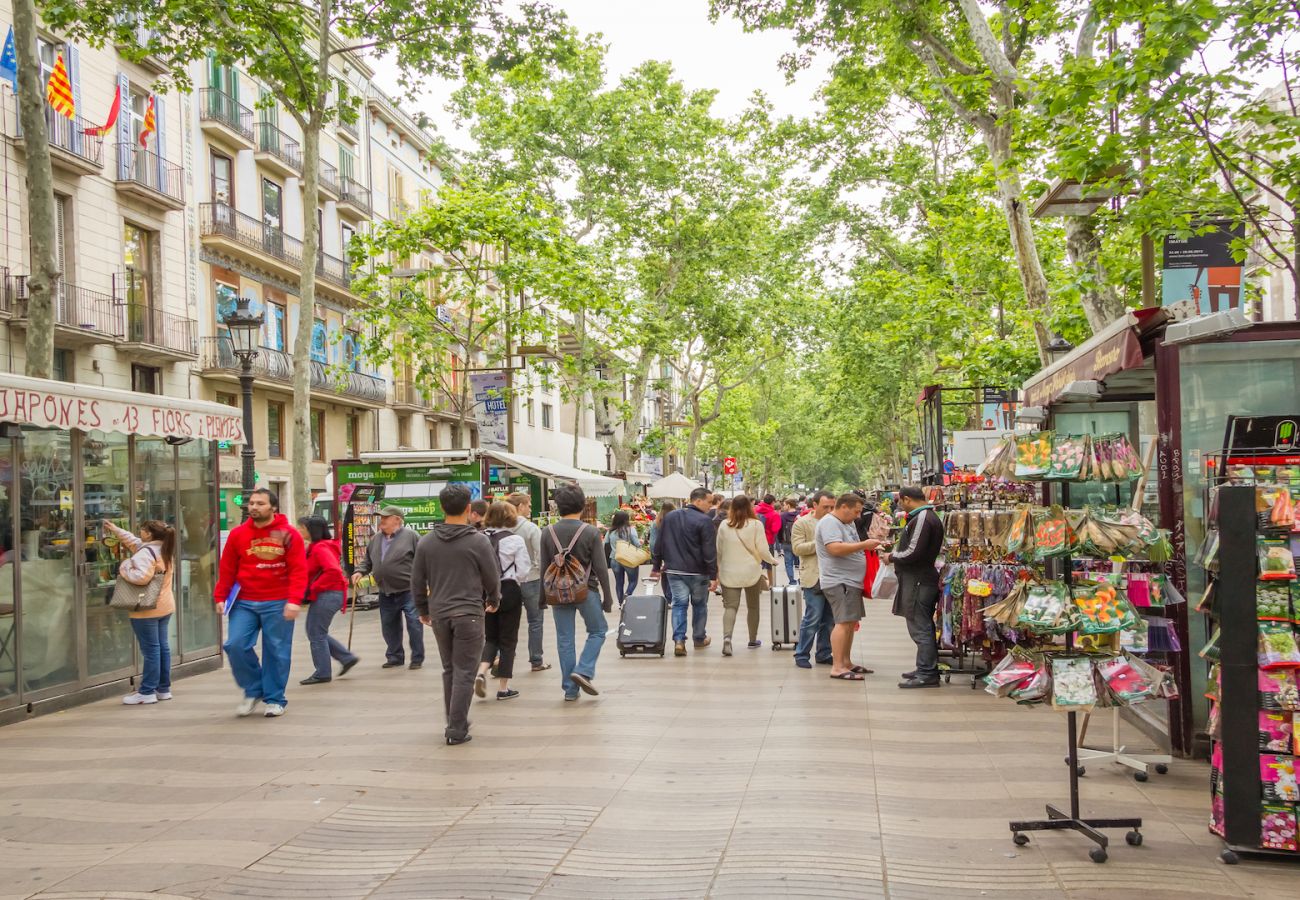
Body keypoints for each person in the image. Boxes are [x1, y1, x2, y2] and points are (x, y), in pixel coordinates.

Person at [412, 484, 500, 745]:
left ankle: (454, 720)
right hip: (470, 613)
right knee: (464, 671)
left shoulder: (427, 542)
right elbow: (491, 576)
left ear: (442, 508)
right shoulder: (478, 541)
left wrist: (423, 610)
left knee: (450, 669)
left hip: (440, 613)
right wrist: (494, 599)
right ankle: (456, 727)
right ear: (468, 509)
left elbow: (417, 581)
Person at [213, 488, 307, 717]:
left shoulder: (288, 534)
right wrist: (220, 596)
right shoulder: (238, 535)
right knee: (235, 645)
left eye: (260, 503)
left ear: (273, 507)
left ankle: (275, 699)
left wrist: (294, 600)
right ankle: (254, 689)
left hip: (278, 600)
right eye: (252, 503)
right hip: (244, 601)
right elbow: (227, 569)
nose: (254, 507)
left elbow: (298, 570)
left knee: (276, 650)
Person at [540, 484, 613, 701]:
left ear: (557, 507)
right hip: (586, 591)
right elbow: (601, 567)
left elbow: (544, 567)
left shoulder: (547, 532)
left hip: (557, 593)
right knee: (599, 630)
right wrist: (607, 597)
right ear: (582, 505)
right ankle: (583, 670)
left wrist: (542, 598)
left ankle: (570, 690)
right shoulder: (590, 532)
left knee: (565, 639)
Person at [105, 519, 176, 705]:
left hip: (146, 608)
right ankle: (163, 689)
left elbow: (141, 577)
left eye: (142, 530)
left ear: (149, 534)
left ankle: (146, 692)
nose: (140, 532)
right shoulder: (162, 548)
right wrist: (115, 530)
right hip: (164, 606)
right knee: (162, 647)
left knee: (151, 650)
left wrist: (125, 566)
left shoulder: (146, 553)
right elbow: (133, 541)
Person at [815, 493, 883, 681]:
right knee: (843, 623)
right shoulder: (830, 523)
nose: (858, 516)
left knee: (850, 622)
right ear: (843, 506)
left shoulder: (847, 522)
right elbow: (834, 548)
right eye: (856, 511)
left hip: (851, 581)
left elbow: (850, 545)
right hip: (839, 581)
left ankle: (846, 662)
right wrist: (864, 544)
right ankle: (837, 666)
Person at [886, 486, 947, 689]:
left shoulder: (922, 518)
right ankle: (924, 667)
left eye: (900, 501)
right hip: (919, 578)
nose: (900, 505)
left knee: (920, 626)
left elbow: (913, 552)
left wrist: (891, 556)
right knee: (921, 624)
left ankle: (927, 672)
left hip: (919, 580)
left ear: (906, 499)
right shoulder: (926, 517)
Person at [649, 487, 718, 657]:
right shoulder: (704, 520)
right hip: (698, 572)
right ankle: (699, 638)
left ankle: (679, 640)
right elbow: (709, 550)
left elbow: (659, 543)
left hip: (674, 570)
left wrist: (656, 567)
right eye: (709, 502)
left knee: (679, 605)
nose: (710, 506)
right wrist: (713, 575)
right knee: (700, 605)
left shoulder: (670, 517)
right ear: (698, 500)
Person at [353, 506, 423, 670]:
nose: (382, 520)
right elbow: (367, 561)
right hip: (385, 590)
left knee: (414, 624)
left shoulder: (411, 536)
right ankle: (395, 656)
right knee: (388, 625)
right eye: (381, 517)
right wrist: (359, 571)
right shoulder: (376, 538)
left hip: (409, 590)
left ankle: (417, 658)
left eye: (386, 517)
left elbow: (423, 560)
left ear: (397, 519)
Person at [476, 502, 531, 701]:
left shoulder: (479, 538)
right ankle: (503, 687)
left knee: (491, 637)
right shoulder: (515, 540)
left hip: (485, 592)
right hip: (509, 590)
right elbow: (523, 571)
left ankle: (481, 671)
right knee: (508, 640)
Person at [296, 516, 359, 685]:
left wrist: (313, 587)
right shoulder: (316, 547)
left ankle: (323, 672)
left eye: (302, 527)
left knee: (316, 632)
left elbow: (332, 571)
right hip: (328, 593)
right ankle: (346, 658)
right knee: (315, 631)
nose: (299, 530)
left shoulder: (320, 548)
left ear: (312, 530)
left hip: (328, 594)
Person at [714, 495, 776, 656]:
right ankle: (752, 639)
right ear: (750, 507)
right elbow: (762, 549)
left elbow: (718, 550)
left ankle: (727, 638)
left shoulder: (723, 525)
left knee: (730, 607)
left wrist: (718, 569)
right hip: (751, 571)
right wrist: (772, 561)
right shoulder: (756, 524)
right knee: (753, 606)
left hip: (729, 572)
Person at [791, 491, 835, 669]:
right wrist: (820, 543)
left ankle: (824, 653)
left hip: (833, 577)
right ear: (814, 505)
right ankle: (802, 654)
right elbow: (797, 548)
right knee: (812, 618)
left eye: (832, 507)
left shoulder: (837, 522)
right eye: (826, 507)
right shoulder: (802, 523)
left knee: (830, 620)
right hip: (813, 577)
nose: (830, 510)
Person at [507, 492, 550, 672]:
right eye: (528, 505)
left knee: (509, 622)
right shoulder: (531, 528)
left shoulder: (502, 527)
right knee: (535, 620)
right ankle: (536, 660)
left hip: (509, 582)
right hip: (531, 580)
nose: (530, 508)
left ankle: (504, 658)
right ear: (520, 507)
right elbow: (541, 556)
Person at [605, 510, 642, 606]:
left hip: (615, 558)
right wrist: (640, 543)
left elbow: (605, 543)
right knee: (633, 580)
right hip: (629, 559)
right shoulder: (630, 529)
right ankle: (628, 594)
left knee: (619, 582)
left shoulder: (610, 531)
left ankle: (621, 603)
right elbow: (637, 544)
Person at [777, 498, 800, 585]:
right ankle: (801, 580)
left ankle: (792, 581)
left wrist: (780, 540)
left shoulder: (782, 516)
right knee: (802, 563)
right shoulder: (799, 515)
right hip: (798, 542)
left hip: (786, 542)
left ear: (789, 505)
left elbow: (780, 529)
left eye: (784, 505)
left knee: (788, 563)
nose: (783, 506)